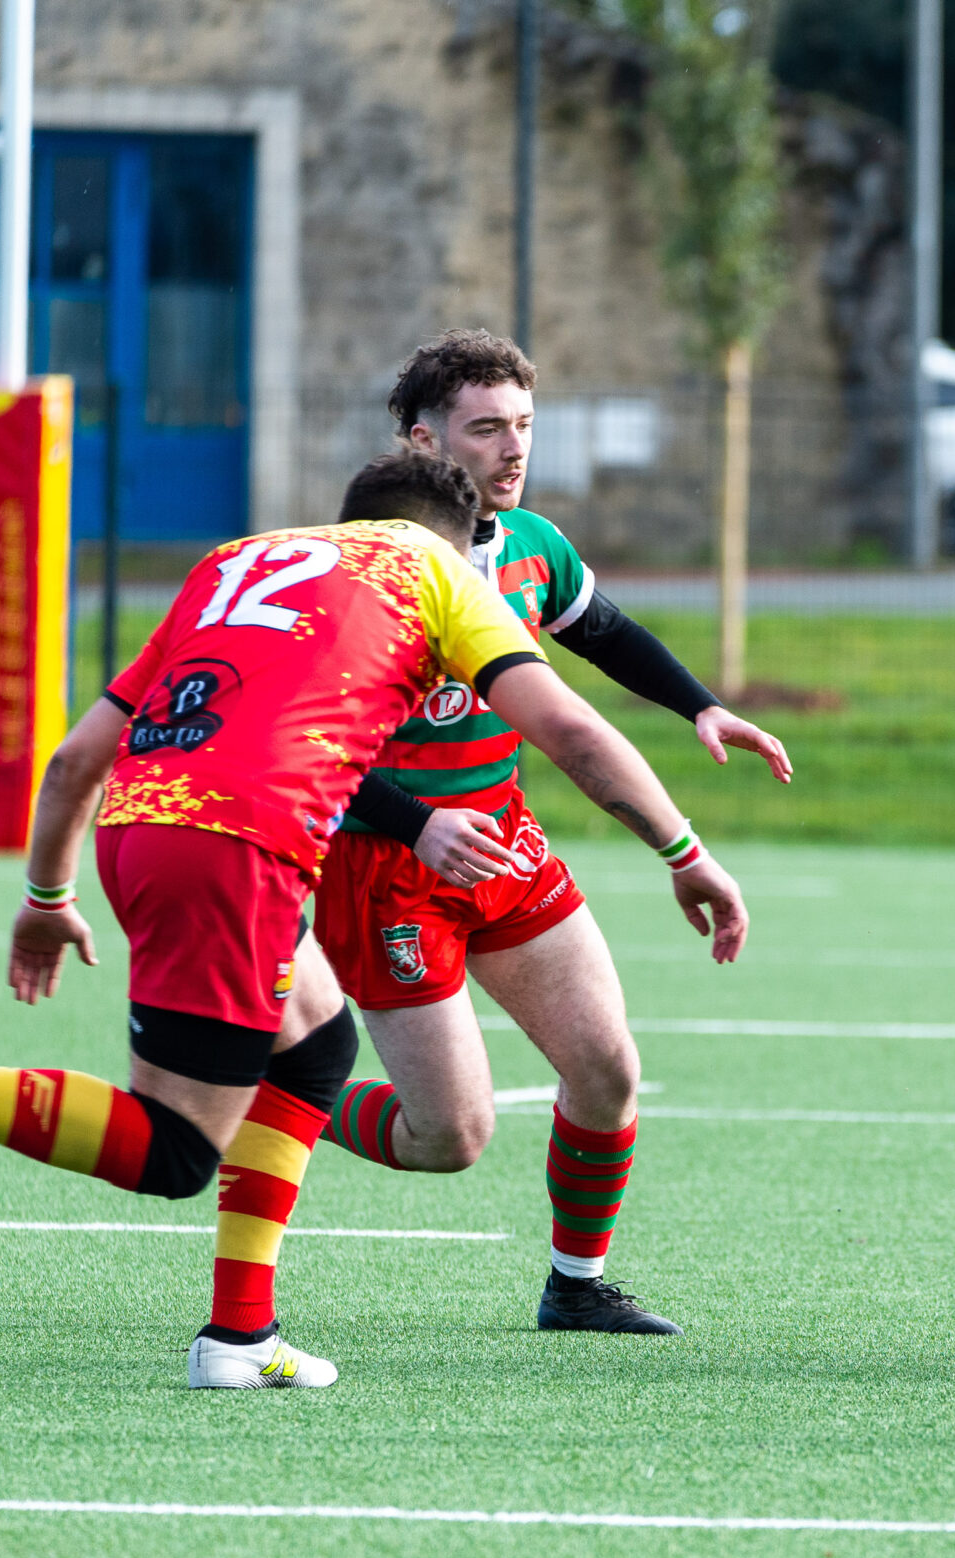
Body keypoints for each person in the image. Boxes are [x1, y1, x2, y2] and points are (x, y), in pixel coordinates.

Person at [0, 452, 749, 1388]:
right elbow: (575, 732)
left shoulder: (233, 563)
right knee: (176, 1148)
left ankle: (239, 1338)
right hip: (241, 845)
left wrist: (47, 898)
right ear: (447, 541)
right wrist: (686, 852)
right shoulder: (432, 571)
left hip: (140, 825)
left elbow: (73, 762)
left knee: (314, 1048)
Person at [307, 330, 791, 1336]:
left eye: (524, 424)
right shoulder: (353, 574)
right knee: (448, 1137)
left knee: (607, 1069)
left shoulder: (530, 544)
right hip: (384, 863)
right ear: (423, 439)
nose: (514, 447)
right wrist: (415, 822)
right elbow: (299, 747)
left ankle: (577, 1285)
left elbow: (602, 631)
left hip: (504, 842)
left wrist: (699, 705)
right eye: (487, 428)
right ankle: (283, 1084)